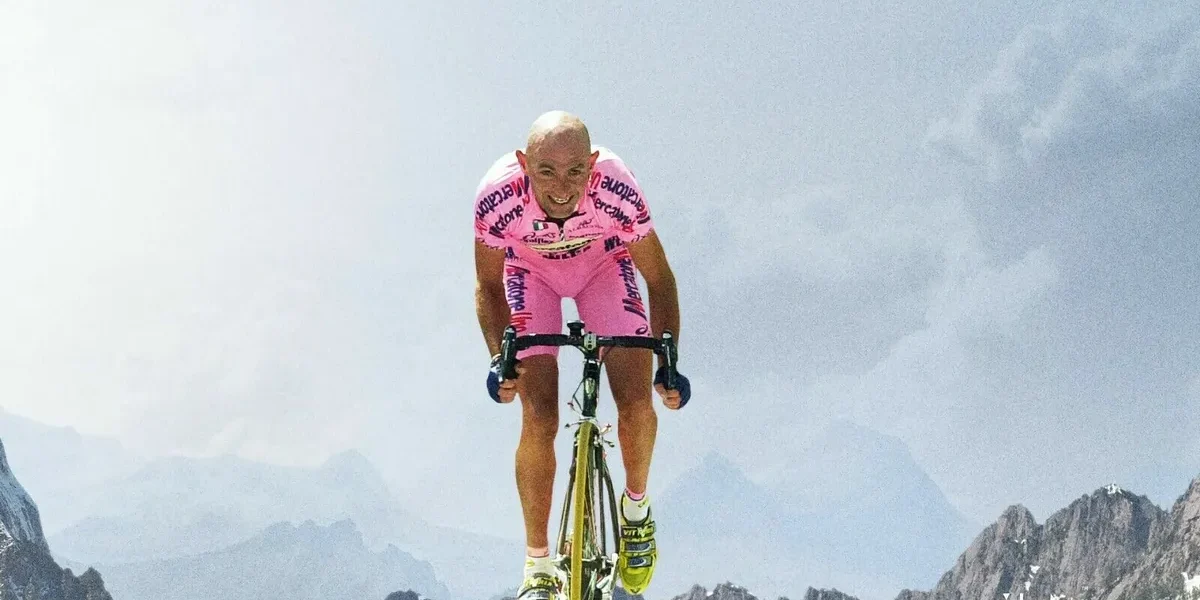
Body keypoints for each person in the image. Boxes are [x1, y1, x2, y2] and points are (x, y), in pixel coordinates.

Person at [473, 110, 691, 598]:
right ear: (523, 164)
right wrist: (499, 358)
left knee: (636, 401)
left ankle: (635, 513)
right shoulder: (497, 196)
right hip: (531, 275)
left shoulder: (618, 188)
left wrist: (668, 362)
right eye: (546, 171)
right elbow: (488, 285)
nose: (562, 187)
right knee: (540, 416)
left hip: (603, 269)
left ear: (592, 165)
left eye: (575, 171)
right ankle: (538, 568)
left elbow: (659, 279)